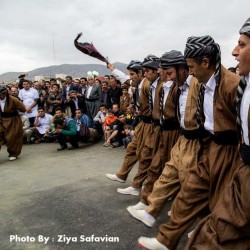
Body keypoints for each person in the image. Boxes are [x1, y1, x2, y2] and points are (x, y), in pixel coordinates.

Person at [138, 36, 241, 250]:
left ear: (205, 62)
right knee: (188, 193)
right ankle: (165, 240)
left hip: (230, 153)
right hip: (208, 147)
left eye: (192, 67)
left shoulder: (231, 85)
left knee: (221, 207)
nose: (191, 72)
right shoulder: (205, 84)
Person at [186, 17, 250, 250]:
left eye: (242, 44)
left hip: (233, 154)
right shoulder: (243, 84)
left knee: (226, 224)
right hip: (214, 147)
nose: (234, 51)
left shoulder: (232, 84)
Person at [127, 50, 188, 220]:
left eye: (165, 70)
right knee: (155, 166)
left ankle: (174, 206)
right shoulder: (161, 87)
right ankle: (147, 201)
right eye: (161, 69)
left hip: (175, 133)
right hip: (162, 130)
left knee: (178, 173)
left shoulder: (179, 87)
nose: (161, 72)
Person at [0, 86, 26, 161]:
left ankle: (13, 153)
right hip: (1, 120)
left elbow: (23, 109)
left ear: (4, 93)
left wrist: (14, 112)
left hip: (13, 121)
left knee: (12, 137)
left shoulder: (13, 100)